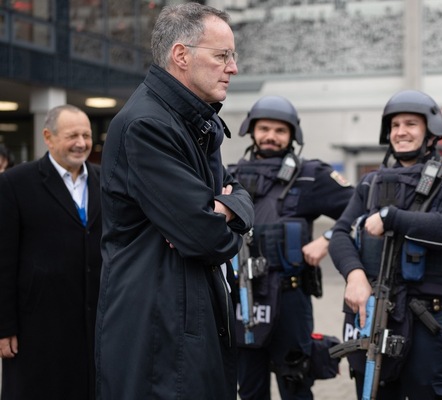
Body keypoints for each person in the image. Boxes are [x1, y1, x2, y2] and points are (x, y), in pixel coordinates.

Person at [95, 3, 254, 400]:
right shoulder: (148, 125)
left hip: (183, 319)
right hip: (159, 332)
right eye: (222, 56)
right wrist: (220, 212)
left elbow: (239, 194)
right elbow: (208, 239)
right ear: (181, 55)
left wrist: (225, 209)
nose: (232, 68)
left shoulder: (194, 121)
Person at [329, 89, 442, 399]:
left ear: (430, 130)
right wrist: (354, 275)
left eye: (411, 124)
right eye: (395, 125)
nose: (401, 132)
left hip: (430, 320)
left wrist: (393, 218)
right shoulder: (372, 183)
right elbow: (340, 233)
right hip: (377, 315)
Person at [231, 95, 354, 400]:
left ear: (292, 136)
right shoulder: (229, 176)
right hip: (244, 297)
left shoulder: (311, 175)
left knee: (296, 381)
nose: (271, 136)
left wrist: (327, 240)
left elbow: (361, 206)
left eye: (279, 130)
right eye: (264, 129)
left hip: (290, 298)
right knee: (248, 387)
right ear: (251, 130)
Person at [0, 104, 101, 400]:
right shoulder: (14, 183)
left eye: (86, 134)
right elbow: (3, 259)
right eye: (72, 135)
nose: (81, 143)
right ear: (48, 137)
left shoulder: (105, 180)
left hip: (94, 322)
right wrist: (5, 326)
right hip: (37, 328)